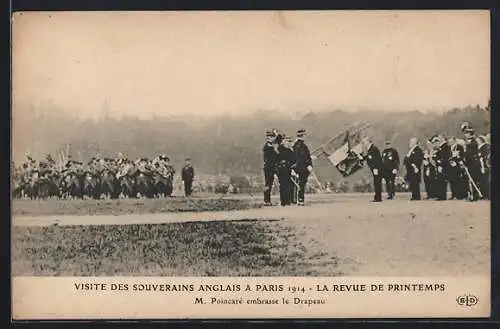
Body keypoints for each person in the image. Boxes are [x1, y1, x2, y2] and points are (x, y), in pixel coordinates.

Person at [292, 129, 313, 206]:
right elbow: (303, 157)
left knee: (299, 184)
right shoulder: (301, 146)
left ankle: (298, 199)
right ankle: (300, 199)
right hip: (302, 168)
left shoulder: (295, 145)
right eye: (304, 135)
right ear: (302, 136)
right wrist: (308, 165)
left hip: (299, 167)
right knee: (301, 184)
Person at [360, 137, 383, 202]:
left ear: (368, 141)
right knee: (376, 183)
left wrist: (375, 168)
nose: (364, 143)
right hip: (375, 168)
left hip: (377, 168)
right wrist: (362, 158)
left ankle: (378, 198)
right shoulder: (370, 148)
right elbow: (368, 157)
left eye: (364, 142)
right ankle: (377, 197)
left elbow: (377, 159)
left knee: (377, 183)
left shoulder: (373, 148)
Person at [462, 125, 482, 201]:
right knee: (469, 180)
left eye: (466, 133)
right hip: (469, 163)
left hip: (473, 164)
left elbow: (469, 154)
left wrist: (466, 161)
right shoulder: (468, 142)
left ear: (470, 133)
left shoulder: (473, 142)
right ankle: (472, 195)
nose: (465, 135)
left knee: (473, 179)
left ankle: (475, 195)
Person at [431, 135, 451, 201]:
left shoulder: (445, 146)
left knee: (442, 181)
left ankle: (442, 196)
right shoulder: (441, 147)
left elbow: (445, 157)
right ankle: (440, 195)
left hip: (443, 166)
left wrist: (440, 164)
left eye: (440, 138)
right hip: (440, 165)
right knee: (439, 181)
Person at [276, 135, 295, 206]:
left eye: (290, 141)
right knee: (284, 185)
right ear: (283, 141)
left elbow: (293, 159)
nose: (289, 143)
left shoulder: (289, 150)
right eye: (288, 141)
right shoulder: (280, 149)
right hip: (282, 169)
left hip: (288, 169)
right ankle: (284, 201)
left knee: (288, 185)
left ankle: (288, 200)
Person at [263, 131, 278, 206]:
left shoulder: (269, 145)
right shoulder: (269, 146)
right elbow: (272, 157)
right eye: (272, 137)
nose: (273, 138)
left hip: (269, 167)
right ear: (269, 137)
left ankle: (267, 200)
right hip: (269, 167)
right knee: (268, 184)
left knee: (268, 184)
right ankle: (266, 200)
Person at [477, 135, 490, 200]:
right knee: (482, 180)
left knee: (485, 180)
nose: (477, 141)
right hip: (480, 165)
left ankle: (486, 194)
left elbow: (485, 157)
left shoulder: (485, 147)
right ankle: (483, 193)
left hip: (484, 166)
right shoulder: (479, 147)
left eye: (478, 140)